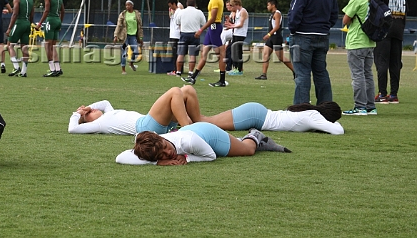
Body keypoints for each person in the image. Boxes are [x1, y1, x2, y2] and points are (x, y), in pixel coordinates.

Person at [115, 123, 290, 166]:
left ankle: (255, 135)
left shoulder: (188, 141)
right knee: (238, 145)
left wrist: (186, 158)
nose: (167, 154)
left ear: (161, 139)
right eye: (161, 155)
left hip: (209, 136)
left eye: (166, 149)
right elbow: (120, 157)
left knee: (247, 150)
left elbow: (211, 156)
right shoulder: (148, 143)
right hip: (194, 132)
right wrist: (158, 162)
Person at [288, 0, 339, 104]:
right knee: (321, 72)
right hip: (322, 36)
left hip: (302, 37)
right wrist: (324, 27)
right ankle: (326, 107)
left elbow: (295, 12)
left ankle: (301, 109)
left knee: (302, 74)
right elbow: (334, 13)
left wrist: (293, 29)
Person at [68, 86, 204, 135]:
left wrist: (88, 108)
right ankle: (190, 132)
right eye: (88, 115)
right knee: (175, 91)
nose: (90, 111)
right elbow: (72, 129)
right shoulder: (98, 125)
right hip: (146, 126)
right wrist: (77, 114)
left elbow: (104, 103)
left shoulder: (109, 112)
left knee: (187, 90)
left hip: (155, 124)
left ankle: (197, 125)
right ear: (87, 122)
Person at [341, 0, 376, 116]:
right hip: (370, 42)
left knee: (358, 75)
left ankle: (360, 106)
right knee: (368, 74)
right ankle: (370, 106)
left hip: (356, 41)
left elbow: (345, 19)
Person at [182, 0, 227, 87]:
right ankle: (193, 77)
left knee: (221, 54)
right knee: (204, 53)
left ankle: (222, 80)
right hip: (212, 28)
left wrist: (201, 30)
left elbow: (213, 18)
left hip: (215, 27)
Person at [200, 101, 343, 134]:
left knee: (205, 120)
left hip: (257, 113)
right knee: (206, 122)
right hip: (255, 117)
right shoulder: (314, 116)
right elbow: (338, 131)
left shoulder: (311, 112)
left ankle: (180, 113)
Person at [374, 0, 407, 104]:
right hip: (398, 30)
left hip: (384, 31)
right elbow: (405, 11)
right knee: (395, 63)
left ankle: (382, 94)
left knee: (382, 62)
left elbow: (376, 11)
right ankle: (394, 95)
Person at [255, 0, 295, 80]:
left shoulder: (277, 13)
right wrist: (269, 36)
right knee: (265, 55)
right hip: (271, 38)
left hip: (276, 38)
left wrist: (269, 34)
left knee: (281, 57)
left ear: (273, 5)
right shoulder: (272, 14)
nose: (267, 7)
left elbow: (277, 26)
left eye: (268, 5)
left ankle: (296, 71)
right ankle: (264, 75)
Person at [37, 0, 65, 77]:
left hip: (51, 20)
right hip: (57, 20)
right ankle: (58, 68)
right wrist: (60, 23)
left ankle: (52, 69)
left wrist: (40, 23)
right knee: (53, 46)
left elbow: (47, 11)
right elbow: (63, 11)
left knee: (47, 45)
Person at [5, 0, 34, 77]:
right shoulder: (30, 0)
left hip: (19, 23)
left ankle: (16, 67)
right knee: (24, 47)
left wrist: (9, 28)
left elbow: (15, 14)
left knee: (10, 45)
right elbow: (31, 15)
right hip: (27, 23)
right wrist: (29, 24)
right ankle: (24, 71)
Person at [174, 0, 205, 76]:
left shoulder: (182, 12)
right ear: (195, 4)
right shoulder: (199, 12)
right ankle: (191, 72)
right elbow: (204, 23)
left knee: (181, 54)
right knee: (192, 54)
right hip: (195, 34)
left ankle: (178, 71)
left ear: (187, 3)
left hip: (184, 34)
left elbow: (177, 22)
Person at [114, 0, 143, 74]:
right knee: (124, 53)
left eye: (129, 5)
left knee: (136, 51)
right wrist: (116, 35)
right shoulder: (123, 14)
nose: (127, 6)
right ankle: (123, 69)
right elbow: (119, 25)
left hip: (133, 36)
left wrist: (141, 37)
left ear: (132, 6)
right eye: (126, 5)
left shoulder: (137, 14)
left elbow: (140, 26)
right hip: (125, 36)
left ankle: (131, 63)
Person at [224, 0, 249, 75]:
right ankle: (235, 68)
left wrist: (231, 26)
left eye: (233, 5)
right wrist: (230, 25)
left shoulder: (243, 11)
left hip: (241, 34)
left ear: (237, 4)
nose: (232, 7)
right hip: (236, 33)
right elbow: (236, 24)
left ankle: (239, 69)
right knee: (233, 50)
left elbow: (241, 24)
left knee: (238, 52)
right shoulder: (238, 12)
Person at [167, 0, 182, 76]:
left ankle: (177, 70)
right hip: (173, 33)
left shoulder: (179, 7)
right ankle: (176, 69)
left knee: (177, 53)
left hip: (177, 34)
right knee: (174, 53)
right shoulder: (173, 10)